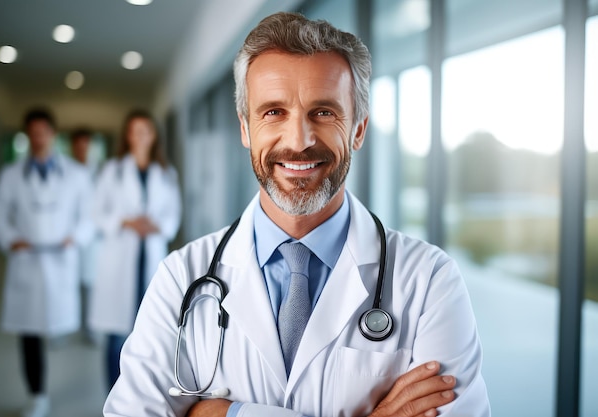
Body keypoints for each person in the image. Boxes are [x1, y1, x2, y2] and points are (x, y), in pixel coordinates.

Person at [104, 12, 490, 417]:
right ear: (245, 128)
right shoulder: (180, 278)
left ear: (358, 128)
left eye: (323, 112)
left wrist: (222, 413)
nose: (299, 141)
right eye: (273, 112)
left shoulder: (428, 281)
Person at [0, 108, 95, 417]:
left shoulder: (76, 174)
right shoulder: (11, 175)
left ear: (53, 134)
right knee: (29, 332)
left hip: (60, 258)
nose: (37, 139)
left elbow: (89, 214)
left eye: (42, 133)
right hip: (27, 261)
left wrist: (76, 237)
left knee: (57, 326)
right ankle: (37, 394)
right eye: (32, 134)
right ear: (27, 137)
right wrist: (10, 239)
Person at [88, 109, 182, 392]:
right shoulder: (112, 170)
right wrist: (125, 221)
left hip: (150, 256)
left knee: (149, 334)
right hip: (120, 258)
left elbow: (173, 217)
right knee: (117, 336)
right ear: (127, 135)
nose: (141, 137)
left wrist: (154, 226)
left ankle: (139, 399)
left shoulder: (166, 173)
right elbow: (95, 213)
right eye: (135, 131)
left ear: (154, 136)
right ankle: (112, 399)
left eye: (146, 131)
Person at [69, 127, 102, 344]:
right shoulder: (64, 172)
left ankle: (89, 328)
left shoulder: (99, 172)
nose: (82, 149)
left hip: (93, 238)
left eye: (86, 145)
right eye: (78, 145)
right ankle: (63, 327)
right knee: (67, 283)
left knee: (90, 284)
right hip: (66, 236)